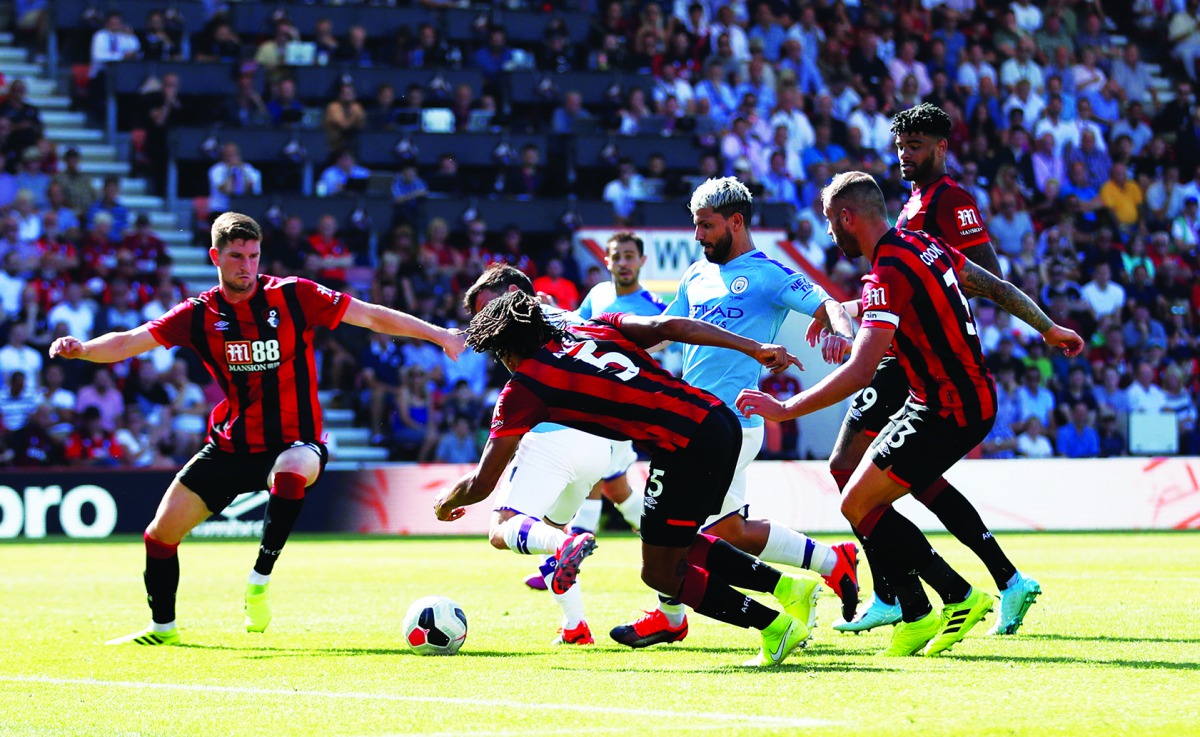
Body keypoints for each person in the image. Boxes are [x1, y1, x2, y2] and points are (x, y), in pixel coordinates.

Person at [49, 212, 466, 646]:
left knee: (290, 470)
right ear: (215, 257)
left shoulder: (294, 296)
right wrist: (83, 350)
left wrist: (440, 335)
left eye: (252, 255)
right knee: (159, 534)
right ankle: (163, 629)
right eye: (235, 256)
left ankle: (258, 580)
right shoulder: (198, 314)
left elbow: (372, 317)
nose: (245, 265)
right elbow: (129, 341)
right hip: (231, 446)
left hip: (296, 440)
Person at [737, 171, 1084, 655]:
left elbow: (861, 370)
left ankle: (950, 598)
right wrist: (1048, 328)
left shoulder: (885, 272)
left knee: (858, 503)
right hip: (962, 397)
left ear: (846, 217)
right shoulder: (922, 245)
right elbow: (994, 286)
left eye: (829, 223)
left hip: (945, 408)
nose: (830, 235)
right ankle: (931, 601)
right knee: (871, 490)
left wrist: (784, 407)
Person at [436, 289, 821, 667]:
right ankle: (788, 587)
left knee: (660, 572)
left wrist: (446, 502)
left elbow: (483, 483)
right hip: (716, 419)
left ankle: (775, 627)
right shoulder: (591, 327)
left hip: (686, 444)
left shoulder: (524, 387)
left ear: (504, 351)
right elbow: (669, 325)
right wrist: (752, 347)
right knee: (674, 544)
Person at [611, 175, 861, 650]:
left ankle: (670, 614)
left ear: (736, 222)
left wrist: (841, 334)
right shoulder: (695, 275)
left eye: (706, 226)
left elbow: (827, 304)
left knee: (674, 529)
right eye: (695, 226)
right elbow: (669, 330)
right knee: (729, 532)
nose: (699, 236)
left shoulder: (767, 274)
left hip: (731, 424)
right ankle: (833, 562)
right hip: (692, 419)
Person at [824, 103, 1045, 638]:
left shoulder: (951, 200)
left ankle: (898, 594)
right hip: (906, 349)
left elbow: (983, 272)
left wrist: (930, 312)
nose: (906, 154)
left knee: (848, 469)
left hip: (912, 359)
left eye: (916, 145)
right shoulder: (911, 203)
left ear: (942, 147)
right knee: (910, 477)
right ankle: (1001, 579)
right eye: (901, 145)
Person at [459, 264, 629, 644]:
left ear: (518, 294)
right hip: (598, 445)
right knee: (542, 530)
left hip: (554, 438)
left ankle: (567, 545)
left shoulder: (523, 328)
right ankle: (575, 627)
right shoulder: (571, 318)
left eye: (491, 306)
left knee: (503, 530)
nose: (486, 321)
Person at [521, 232, 665, 593]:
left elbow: (670, 338)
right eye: (617, 256)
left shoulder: (653, 305)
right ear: (607, 260)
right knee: (614, 487)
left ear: (642, 262)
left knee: (585, 479)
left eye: (630, 256)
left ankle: (563, 559)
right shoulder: (599, 294)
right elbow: (575, 329)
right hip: (591, 400)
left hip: (621, 407)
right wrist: (553, 309)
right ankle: (667, 542)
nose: (624, 263)